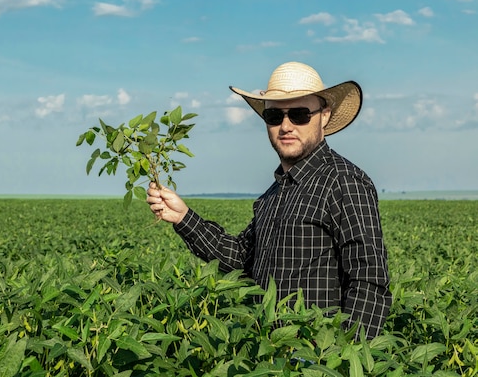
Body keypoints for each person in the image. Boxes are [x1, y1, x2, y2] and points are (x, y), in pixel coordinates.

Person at [146, 61, 392, 339]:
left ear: (324, 115)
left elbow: (369, 281)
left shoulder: (343, 181)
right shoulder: (272, 196)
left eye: (299, 114)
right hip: (267, 354)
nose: (285, 126)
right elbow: (239, 258)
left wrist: (347, 360)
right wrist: (182, 217)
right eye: (274, 115)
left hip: (316, 358)